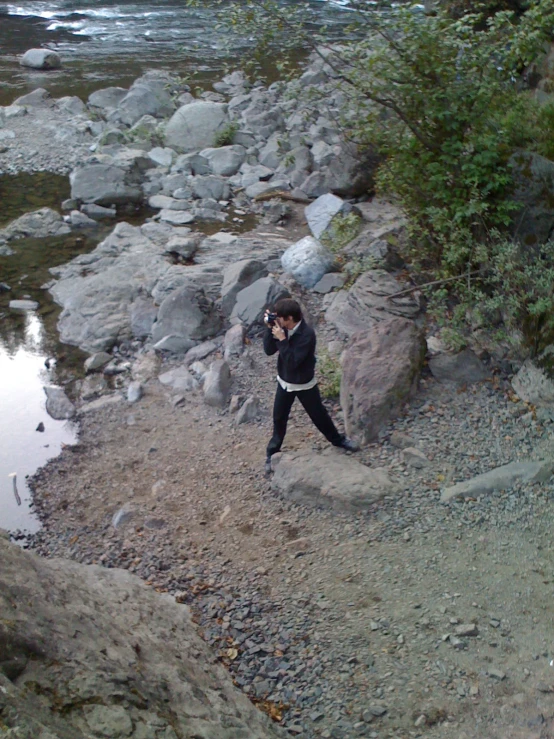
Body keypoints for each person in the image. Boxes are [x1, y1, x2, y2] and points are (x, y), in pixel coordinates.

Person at [263, 298, 359, 475]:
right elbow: (268, 351)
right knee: (279, 419)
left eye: (280, 318)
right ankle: (272, 454)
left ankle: (338, 441)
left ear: (289, 318)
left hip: (304, 384)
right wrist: (270, 330)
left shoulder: (307, 335)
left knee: (319, 416)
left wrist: (283, 340)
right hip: (284, 383)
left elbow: (293, 362)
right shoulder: (282, 328)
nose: (278, 321)